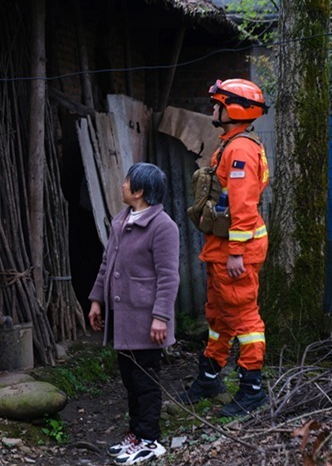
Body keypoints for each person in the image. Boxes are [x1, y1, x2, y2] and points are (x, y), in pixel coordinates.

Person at [178, 78, 270, 417]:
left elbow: (243, 206)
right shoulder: (231, 144)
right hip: (222, 248)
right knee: (219, 316)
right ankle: (210, 376)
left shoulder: (240, 149)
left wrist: (235, 253)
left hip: (235, 251)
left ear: (232, 108)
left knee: (244, 318)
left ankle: (252, 389)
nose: (212, 108)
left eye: (217, 103)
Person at [88, 163, 178, 465]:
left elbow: (168, 277)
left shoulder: (163, 227)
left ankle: (151, 440)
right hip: (123, 318)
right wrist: (97, 299)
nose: (122, 185)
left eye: (127, 182)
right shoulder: (122, 219)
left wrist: (161, 317)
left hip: (146, 319)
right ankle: (136, 434)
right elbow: (106, 264)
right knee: (129, 379)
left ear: (139, 191)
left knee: (146, 381)